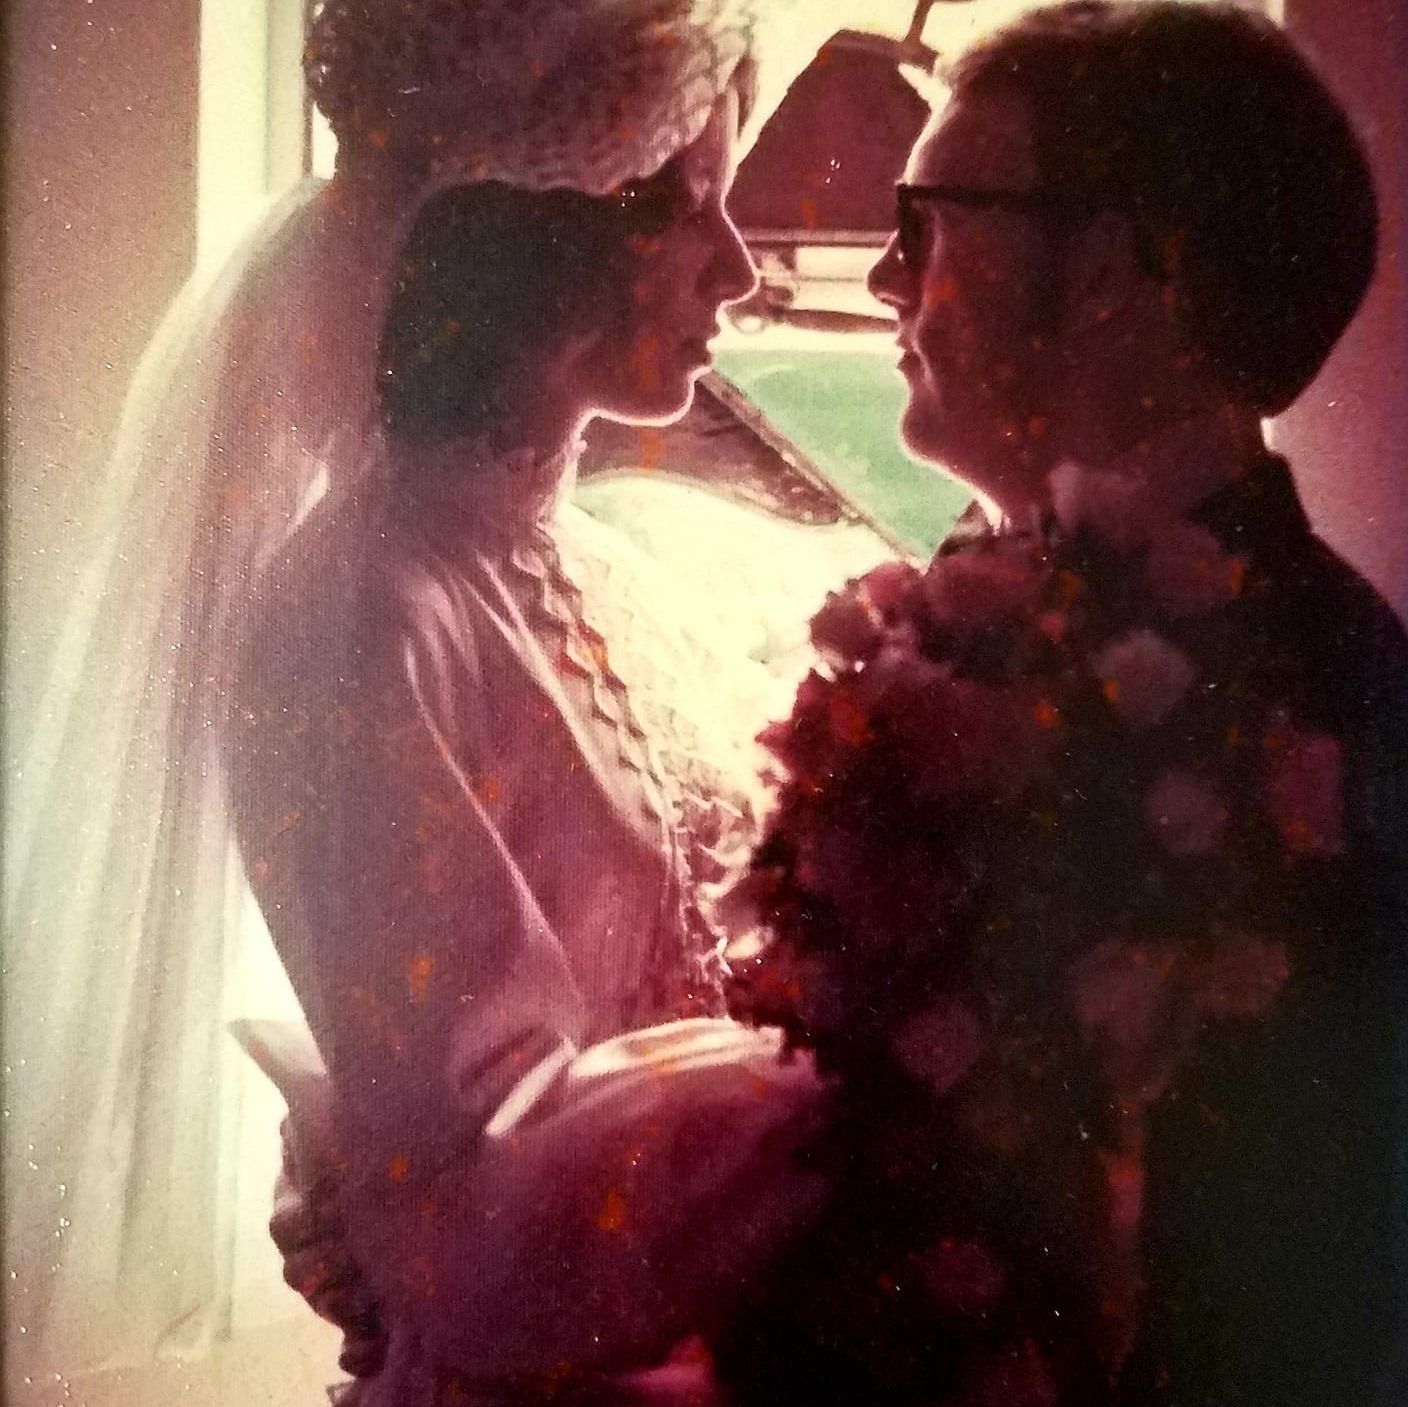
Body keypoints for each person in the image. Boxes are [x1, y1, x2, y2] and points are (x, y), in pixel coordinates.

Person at [222, 2, 839, 1405]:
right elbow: (481, 1178)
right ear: (528, 234)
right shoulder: (365, 615)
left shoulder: (606, 566)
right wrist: (856, 1104)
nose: (739, 268)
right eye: (682, 208)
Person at [854, 3, 1407, 1401]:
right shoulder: (983, 590)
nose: (881, 277)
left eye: (926, 227)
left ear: (1109, 269)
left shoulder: (1322, 693)